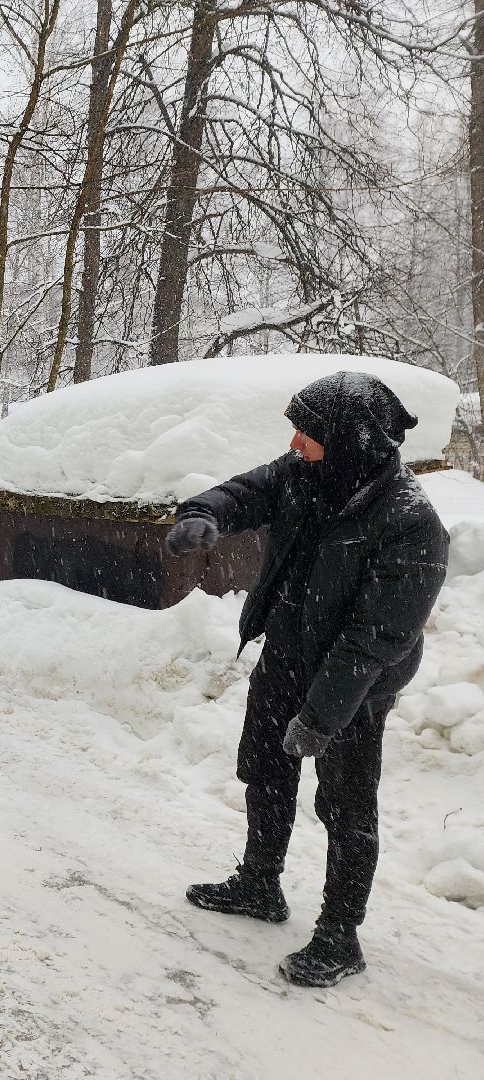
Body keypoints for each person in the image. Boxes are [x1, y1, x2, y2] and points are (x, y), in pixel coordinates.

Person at [165, 371, 449, 988]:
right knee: (265, 767)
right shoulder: (304, 475)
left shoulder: (410, 522)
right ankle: (260, 884)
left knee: (345, 807)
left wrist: (321, 718)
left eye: (307, 432)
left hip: (353, 685)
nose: (294, 442)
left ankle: (340, 935)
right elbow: (241, 493)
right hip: (287, 655)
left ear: (349, 439)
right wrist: (199, 514)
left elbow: (376, 639)